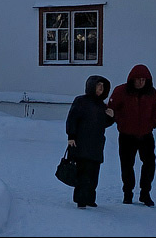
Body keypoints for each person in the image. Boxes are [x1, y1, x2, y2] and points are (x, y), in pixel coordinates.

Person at [108, 63, 156, 206]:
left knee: (149, 164)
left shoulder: (151, 92)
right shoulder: (120, 91)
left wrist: (153, 124)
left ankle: (145, 193)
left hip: (146, 135)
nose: (141, 82)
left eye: (144, 79)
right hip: (126, 135)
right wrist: (119, 120)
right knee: (126, 165)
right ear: (132, 79)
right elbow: (111, 110)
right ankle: (128, 193)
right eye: (138, 79)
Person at [65, 74, 114, 209]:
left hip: (96, 145)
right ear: (91, 87)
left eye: (103, 87)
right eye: (98, 86)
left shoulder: (101, 105)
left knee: (94, 174)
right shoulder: (81, 101)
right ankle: (81, 199)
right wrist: (71, 136)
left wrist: (111, 117)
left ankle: (90, 198)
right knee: (82, 173)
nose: (101, 89)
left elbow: (103, 124)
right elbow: (72, 119)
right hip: (81, 144)